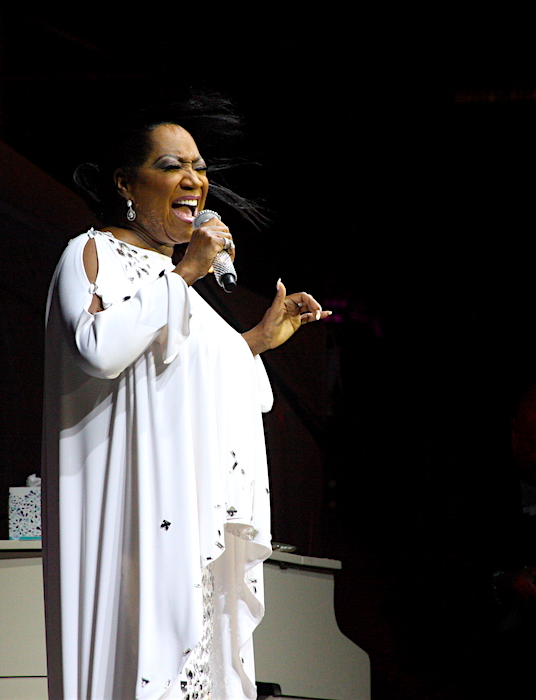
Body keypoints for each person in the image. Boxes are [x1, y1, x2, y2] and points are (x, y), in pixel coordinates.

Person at [41, 96, 330, 700]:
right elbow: (98, 348)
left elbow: (189, 381)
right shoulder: (92, 254)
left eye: (199, 167)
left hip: (186, 519)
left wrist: (257, 340)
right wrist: (188, 272)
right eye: (171, 166)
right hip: (132, 516)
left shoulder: (177, 283)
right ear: (126, 183)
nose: (194, 179)